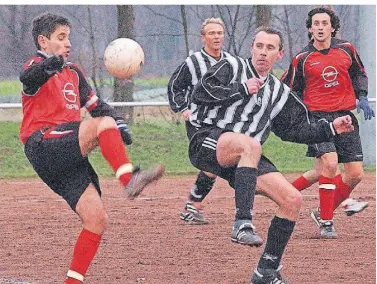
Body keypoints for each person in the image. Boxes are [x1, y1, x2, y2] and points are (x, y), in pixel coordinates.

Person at [188, 26, 354, 283]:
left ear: (279, 54)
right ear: (251, 48)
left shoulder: (279, 92)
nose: (263, 53)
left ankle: (266, 270)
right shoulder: (231, 67)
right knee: (251, 146)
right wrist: (241, 90)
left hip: (246, 157)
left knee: (292, 199)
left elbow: (294, 130)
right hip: (208, 142)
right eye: (259, 46)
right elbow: (200, 92)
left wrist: (331, 128)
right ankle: (242, 223)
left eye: (270, 48)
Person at [20, 13, 164, 283]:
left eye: (68, 37)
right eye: (61, 38)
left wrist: (119, 123)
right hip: (43, 142)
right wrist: (51, 64)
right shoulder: (37, 64)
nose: (68, 43)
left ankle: (72, 282)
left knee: (96, 219)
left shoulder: (74, 72)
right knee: (101, 124)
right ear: (43, 41)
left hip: (67, 153)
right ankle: (128, 179)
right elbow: (28, 77)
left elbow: (98, 107)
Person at [282, 7, 374, 239]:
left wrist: (362, 95)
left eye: (325, 23)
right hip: (318, 119)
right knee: (330, 164)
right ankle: (326, 222)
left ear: (333, 27)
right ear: (310, 29)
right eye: (316, 23)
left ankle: (289, 196)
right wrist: (296, 118)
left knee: (354, 174)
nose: (321, 27)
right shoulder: (301, 59)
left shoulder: (346, 49)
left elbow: (359, 73)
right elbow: (291, 90)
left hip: (345, 117)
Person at [168, 18, 229, 225]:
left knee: (216, 166)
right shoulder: (192, 63)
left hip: (222, 123)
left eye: (219, 33)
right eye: (211, 33)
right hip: (199, 123)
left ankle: (192, 205)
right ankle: (191, 206)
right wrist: (183, 108)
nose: (216, 37)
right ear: (203, 38)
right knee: (211, 163)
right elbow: (175, 86)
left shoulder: (230, 61)